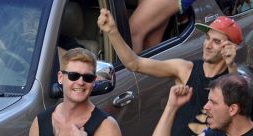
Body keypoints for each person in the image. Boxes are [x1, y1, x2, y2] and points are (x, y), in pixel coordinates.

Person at [98, 10, 240, 134]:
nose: (207, 45)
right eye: (207, 38)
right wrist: (112, 32)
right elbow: (134, 63)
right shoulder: (184, 69)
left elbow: (237, 99)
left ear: (231, 47)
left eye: (216, 41)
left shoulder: (234, 78)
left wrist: (231, 64)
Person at [29, 47, 121, 136]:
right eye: (73, 76)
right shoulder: (41, 122)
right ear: (60, 77)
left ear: (94, 81)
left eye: (88, 77)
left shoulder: (107, 126)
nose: (81, 82)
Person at [154, 76, 253, 136]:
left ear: (233, 109)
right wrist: (171, 107)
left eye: (213, 102)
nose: (205, 106)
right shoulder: (216, 133)